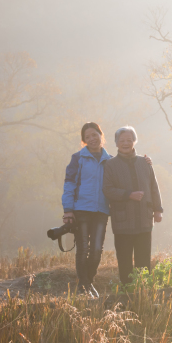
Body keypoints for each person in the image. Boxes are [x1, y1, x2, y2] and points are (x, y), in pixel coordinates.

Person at [103, 125, 164, 284]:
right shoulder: (110, 165)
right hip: (122, 221)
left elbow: (154, 187)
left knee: (144, 262)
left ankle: (144, 294)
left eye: (129, 140)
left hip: (145, 219)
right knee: (124, 262)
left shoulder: (145, 162)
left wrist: (158, 210)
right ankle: (127, 294)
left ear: (134, 142)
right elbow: (107, 190)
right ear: (116, 143)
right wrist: (128, 195)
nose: (125, 143)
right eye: (122, 140)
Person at [61, 122, 110, 298]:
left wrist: (146, 161)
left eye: (94, 135)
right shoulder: (77, 158)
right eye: (87, 137)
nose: (92, 139)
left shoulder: (110, 160)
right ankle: (84, 287)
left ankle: (87, 282)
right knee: (83, 248)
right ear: (84, 141)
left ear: (101, 135)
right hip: (81, 209)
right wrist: (68, 210)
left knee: (97, 249)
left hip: (101, 210)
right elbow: (69, 184)